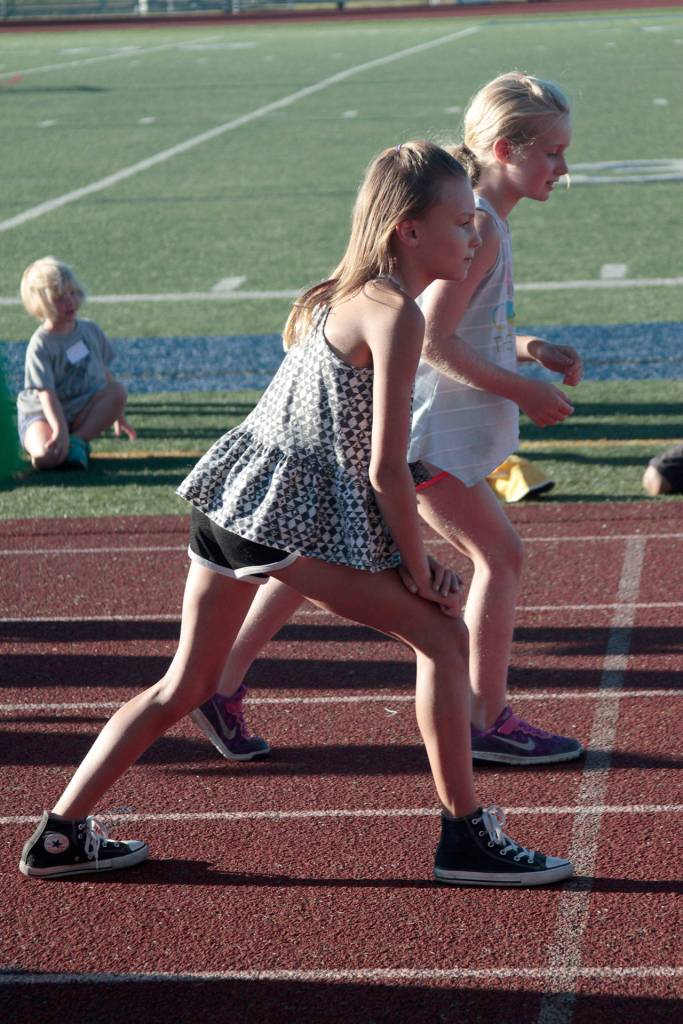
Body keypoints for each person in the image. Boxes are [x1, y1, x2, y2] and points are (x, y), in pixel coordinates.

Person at [20, 141, 572, 887]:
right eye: (460, 222)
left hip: (230, 497)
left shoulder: (350, 293)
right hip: (278, 508)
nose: (475, 235)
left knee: (185, 685)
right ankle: (464, 838)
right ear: (408, 230)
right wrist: (419, 569)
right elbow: (384, 469)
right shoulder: (396, 315)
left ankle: (60, 832)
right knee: (443, 636)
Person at [190, 72, 585, 769]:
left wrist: (529, 349)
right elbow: (433, 340)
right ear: (504, 148)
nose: (563, 167)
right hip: (426, 434)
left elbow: (463, 327)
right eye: (551, 152)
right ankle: (485, 718)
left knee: (303, 555)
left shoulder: (477, 223)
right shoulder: (479, 227)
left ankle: (219, 686)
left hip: (430, 429)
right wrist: (522, 390)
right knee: (500, 556)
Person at [16, 257, 136, 472]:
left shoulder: (90, 330)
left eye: (73, 293)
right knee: (46, 457)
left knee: (117, 392)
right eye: (60, 298)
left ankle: (78, 441)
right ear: (42, 304)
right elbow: (47, 395)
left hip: (80, 409)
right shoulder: (41, 344)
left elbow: (104, 372)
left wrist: (119, 414)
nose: (70, 302)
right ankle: (66, 444)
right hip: (43, 413)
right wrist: (58, 429)